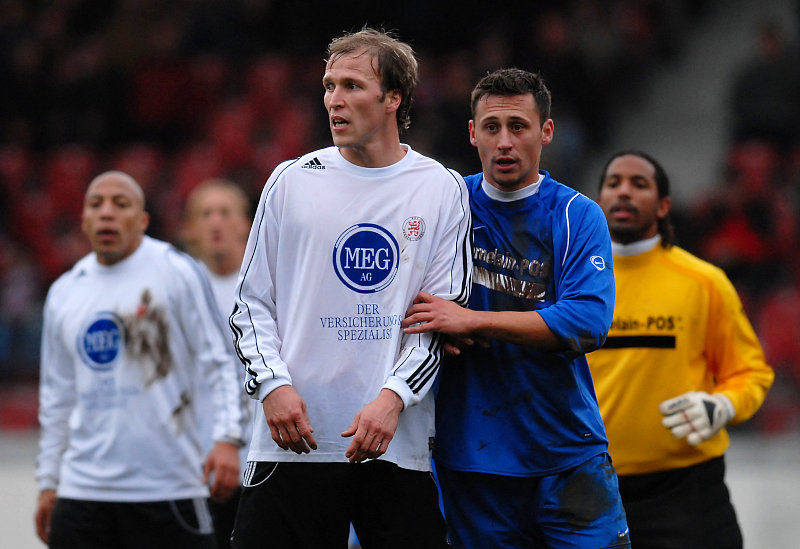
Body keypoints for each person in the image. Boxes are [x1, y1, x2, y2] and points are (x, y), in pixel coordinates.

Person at [228, 28, 472, 549]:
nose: (334, 100)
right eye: (328, 85)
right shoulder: (291, 180)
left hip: (395, 442)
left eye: (352, 86)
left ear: (393, 98)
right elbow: (250, 305)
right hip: (292, 440)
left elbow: (439, 318)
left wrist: (393, 398)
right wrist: (272, 386)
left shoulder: (441, 188)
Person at [402, 68, 630, 548]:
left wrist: (473, 320)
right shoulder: (446, 207)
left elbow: (587, 321)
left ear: (546, 132)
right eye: (492, 127)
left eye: (518, 127)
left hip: (567, 454)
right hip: (472, 462)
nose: (504, 142)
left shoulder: (576, 214)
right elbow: (405, 304)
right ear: (472, 133)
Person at [34, 171, 248, 548]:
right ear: (83, 219)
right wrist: (49, 481)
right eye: (96, 204)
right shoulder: (64, 292)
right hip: (82, 490)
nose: (107, 213)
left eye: (121, 204)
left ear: (143, 220)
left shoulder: (176, 272)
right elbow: (57, 397)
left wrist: (228, 438)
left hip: (168, 487)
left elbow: (218, 362)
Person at [588, 150, 775, 549]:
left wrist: (722, 405)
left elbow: (751, 372)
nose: (624, 191)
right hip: (589, 489)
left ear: (663, 205)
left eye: (639, 184)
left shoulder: (704, 282)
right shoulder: (569, 283)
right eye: (614, 183)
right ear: (599, 200)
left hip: (687, 492)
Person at [182, 178, 254, 548]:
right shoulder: (177, 291)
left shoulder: (265, 287)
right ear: (189, 228)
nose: (215, 222)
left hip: (258, 459)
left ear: (245, 224)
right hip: (193, 463)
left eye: (225, 212)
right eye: (205, 213)